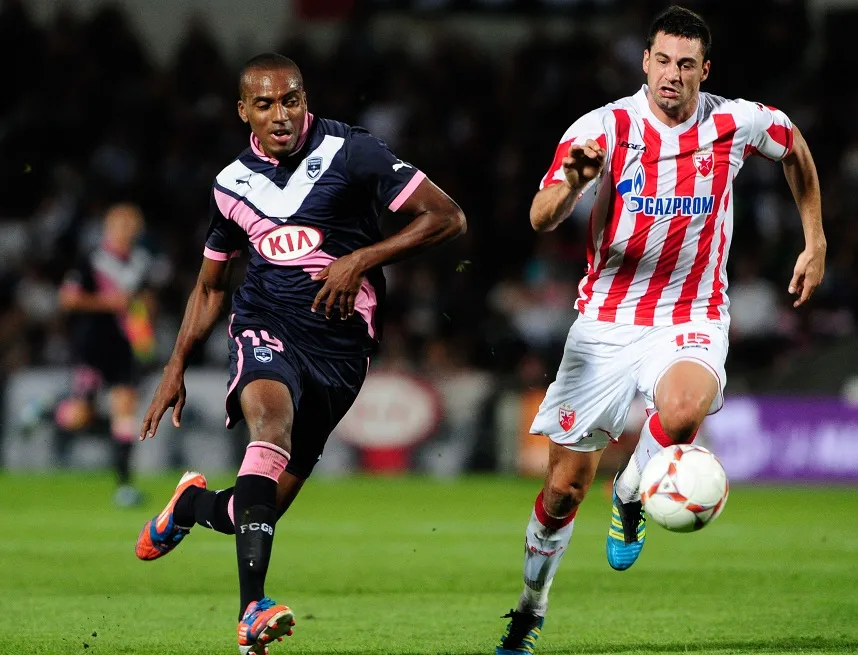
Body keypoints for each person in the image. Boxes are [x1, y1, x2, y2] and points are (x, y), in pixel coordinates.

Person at [495, 6, 825, 654]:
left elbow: (795, 148)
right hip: (607, 323)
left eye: (686, 64)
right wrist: (574, 185)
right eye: (662, 60)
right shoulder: (604, 128)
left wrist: (814, 240)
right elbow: (539, 214)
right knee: (562, 490)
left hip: (692, 313)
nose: (672, 74)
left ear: (706, 70)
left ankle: (632, 493)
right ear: (644, 61)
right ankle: (529, 610)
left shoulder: (734, 122)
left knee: (679, 411)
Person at [134, 53, 466, 655]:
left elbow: (448, 218)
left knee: (250, 509)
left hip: (342, 344)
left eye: (291, 100)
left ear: (304, 98)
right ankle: (251, 613)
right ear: (244, 112)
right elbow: (211, 286)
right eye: (265, 104)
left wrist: (362, 259)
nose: (281, 115)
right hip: (265, 320)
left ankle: (188, 506)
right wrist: (175, 365)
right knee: (270, 426)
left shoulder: (354, 152)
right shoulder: (230, 185)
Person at [57, 202, 156, 507]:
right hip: (93, 345)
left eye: (132, 225)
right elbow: (68, 299)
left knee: (125, 412)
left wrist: (145, 315)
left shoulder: (140, 261)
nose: (128, 231)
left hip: (124, 346)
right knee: (79, 416)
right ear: (109, 228)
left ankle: (124, 486)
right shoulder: (92, 259)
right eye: (122, 225)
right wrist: (108, 303)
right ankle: (49, 411)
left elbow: (144, 298)